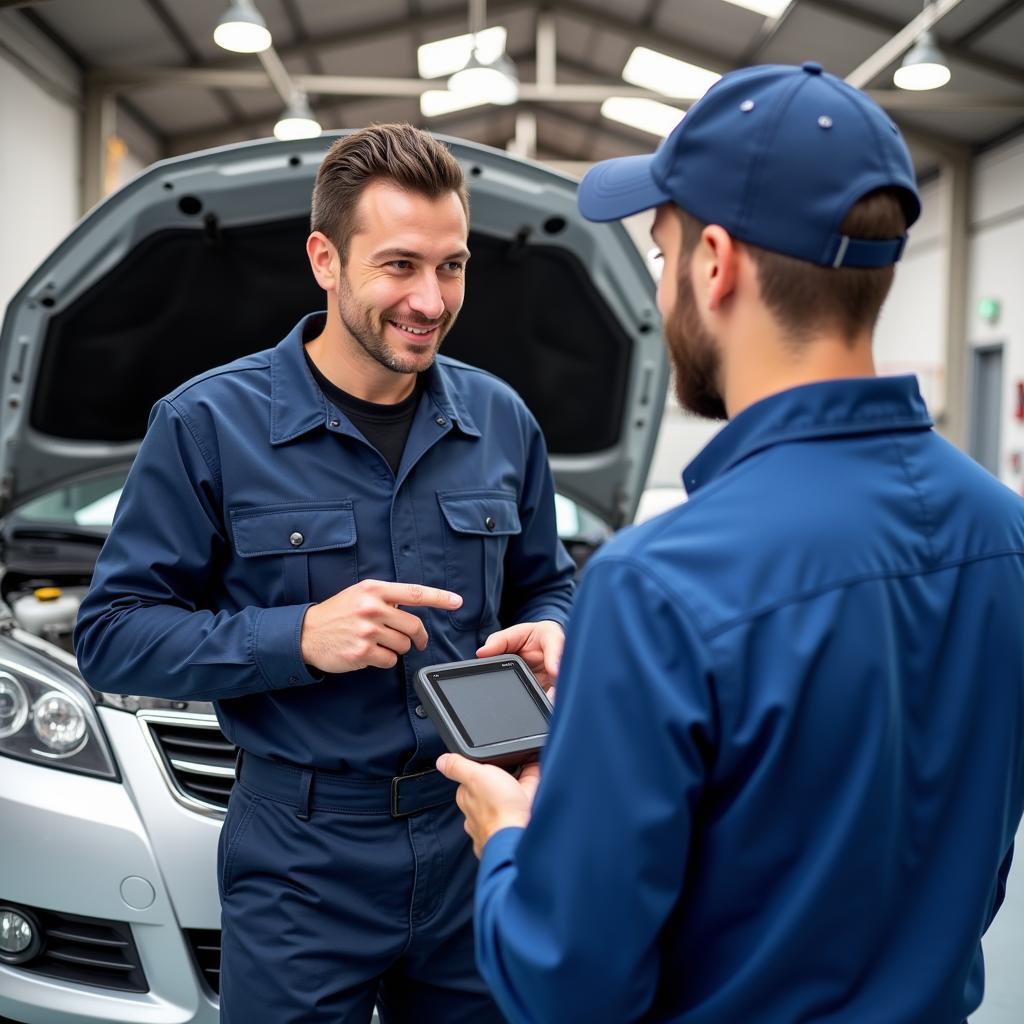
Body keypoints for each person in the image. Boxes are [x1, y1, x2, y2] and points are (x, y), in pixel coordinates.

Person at [438, 62, 1024, 1023]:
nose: (665, 287)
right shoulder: (1003, 535)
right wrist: (632, 686)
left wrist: (511, 837)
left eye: (662, 257)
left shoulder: (659, 584)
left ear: (717, 262)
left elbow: (568, 985)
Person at [74, 123, 575, 1023]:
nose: (430, 299)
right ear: (325, 259)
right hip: (302, 855)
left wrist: (557, 627)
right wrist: (296, 636)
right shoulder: (205, 426)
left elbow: (549, 581)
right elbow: (112, 637)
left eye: (452, 266)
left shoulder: (502, 421)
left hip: (476, 830)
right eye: (399, 266)